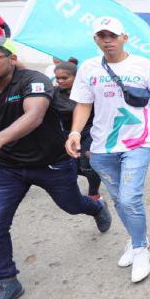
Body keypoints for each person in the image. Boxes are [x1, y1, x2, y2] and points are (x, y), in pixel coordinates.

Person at [0, 35, 111, 299]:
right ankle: (6, 281)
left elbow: (35, 115)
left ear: (10, 59)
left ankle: (96, 207)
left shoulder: (34, 80)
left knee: (73, 205)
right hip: (8, 167)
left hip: (51, 163)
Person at [65, 17, 150, 284]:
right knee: (117, 199)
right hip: (102, 148)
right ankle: (138, 239)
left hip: (137, 143)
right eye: (101, 36)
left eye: (112, 35)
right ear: (96, 40)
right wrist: (75, 132)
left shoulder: (143, 65)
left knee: (129, 199)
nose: (107, 40)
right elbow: (83, 104)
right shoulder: (89, 68)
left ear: (124, 37)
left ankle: (140, 250)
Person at [52, 60, 101, 200]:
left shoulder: (89, 91)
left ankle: (94, 193)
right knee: (71, 166)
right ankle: (73, 193)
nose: (60, 81)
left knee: (87, 164)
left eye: (64, 78)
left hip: (89, 132)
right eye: (57, 78)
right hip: (67, 134)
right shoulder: (53, 93)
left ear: (76, 76)